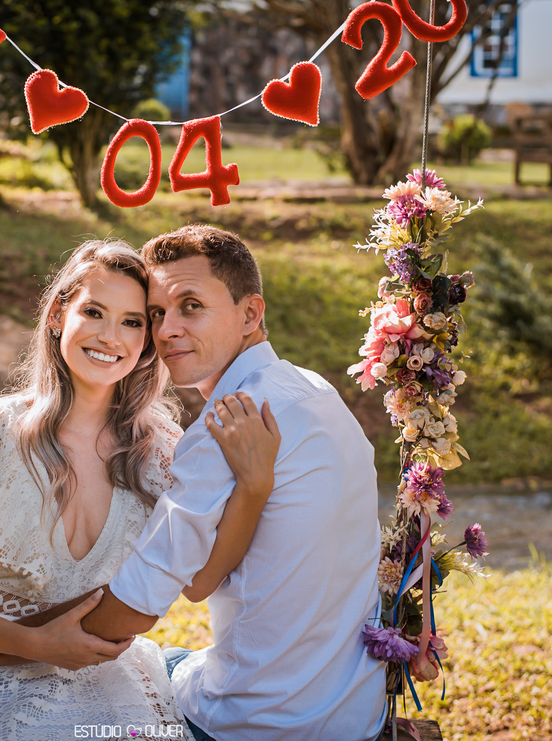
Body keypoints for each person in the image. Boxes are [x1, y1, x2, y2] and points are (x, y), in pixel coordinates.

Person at [0, 239, 281, 741]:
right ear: (56, 314)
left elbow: (198, 582)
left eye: (133, 322)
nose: (110, 336)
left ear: (148, 340)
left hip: (104, 676)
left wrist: (254, 486)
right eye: (94, 312)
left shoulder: (162, 452)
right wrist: (36, 646)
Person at [76, 225, 388, 741]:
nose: (166, 330)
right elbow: (200, 581)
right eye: (156, 314)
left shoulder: (229, 423)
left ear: (250, 313)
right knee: (172, 661)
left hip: (252, 722)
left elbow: (135, 604)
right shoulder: (317, 392)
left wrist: (5, 646)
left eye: (190, 305)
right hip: (351, 710)